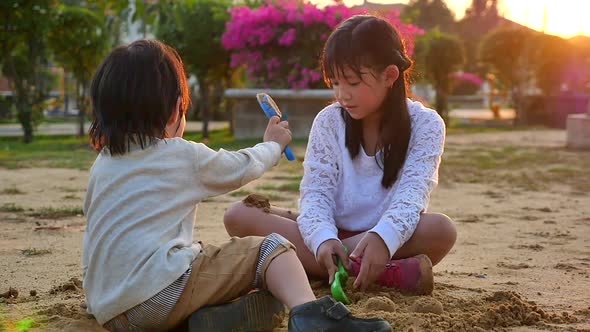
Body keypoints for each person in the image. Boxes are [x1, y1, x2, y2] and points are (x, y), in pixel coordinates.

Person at [82, 39, 392, 332]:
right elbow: (240, 166)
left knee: (201, 258)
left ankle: (204, 319)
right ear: (177, 109)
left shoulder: (103, 166)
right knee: (272, 249)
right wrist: (271, 145)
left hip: (108, 309)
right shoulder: (179, 155)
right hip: (156, 297)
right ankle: (311, 315)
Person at [224, 15, 457, 294]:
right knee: (239, 215)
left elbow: (413, 196)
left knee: (441, 230)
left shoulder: (426, 124)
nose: (342, 95)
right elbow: (316, 193)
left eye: (352, 83)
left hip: (386, 236)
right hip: (331, 230)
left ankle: (321, 266)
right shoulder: (329, 121)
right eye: (334, 83)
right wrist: (322, 239)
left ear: (390, 76)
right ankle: (382, 273)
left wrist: (383, 239)